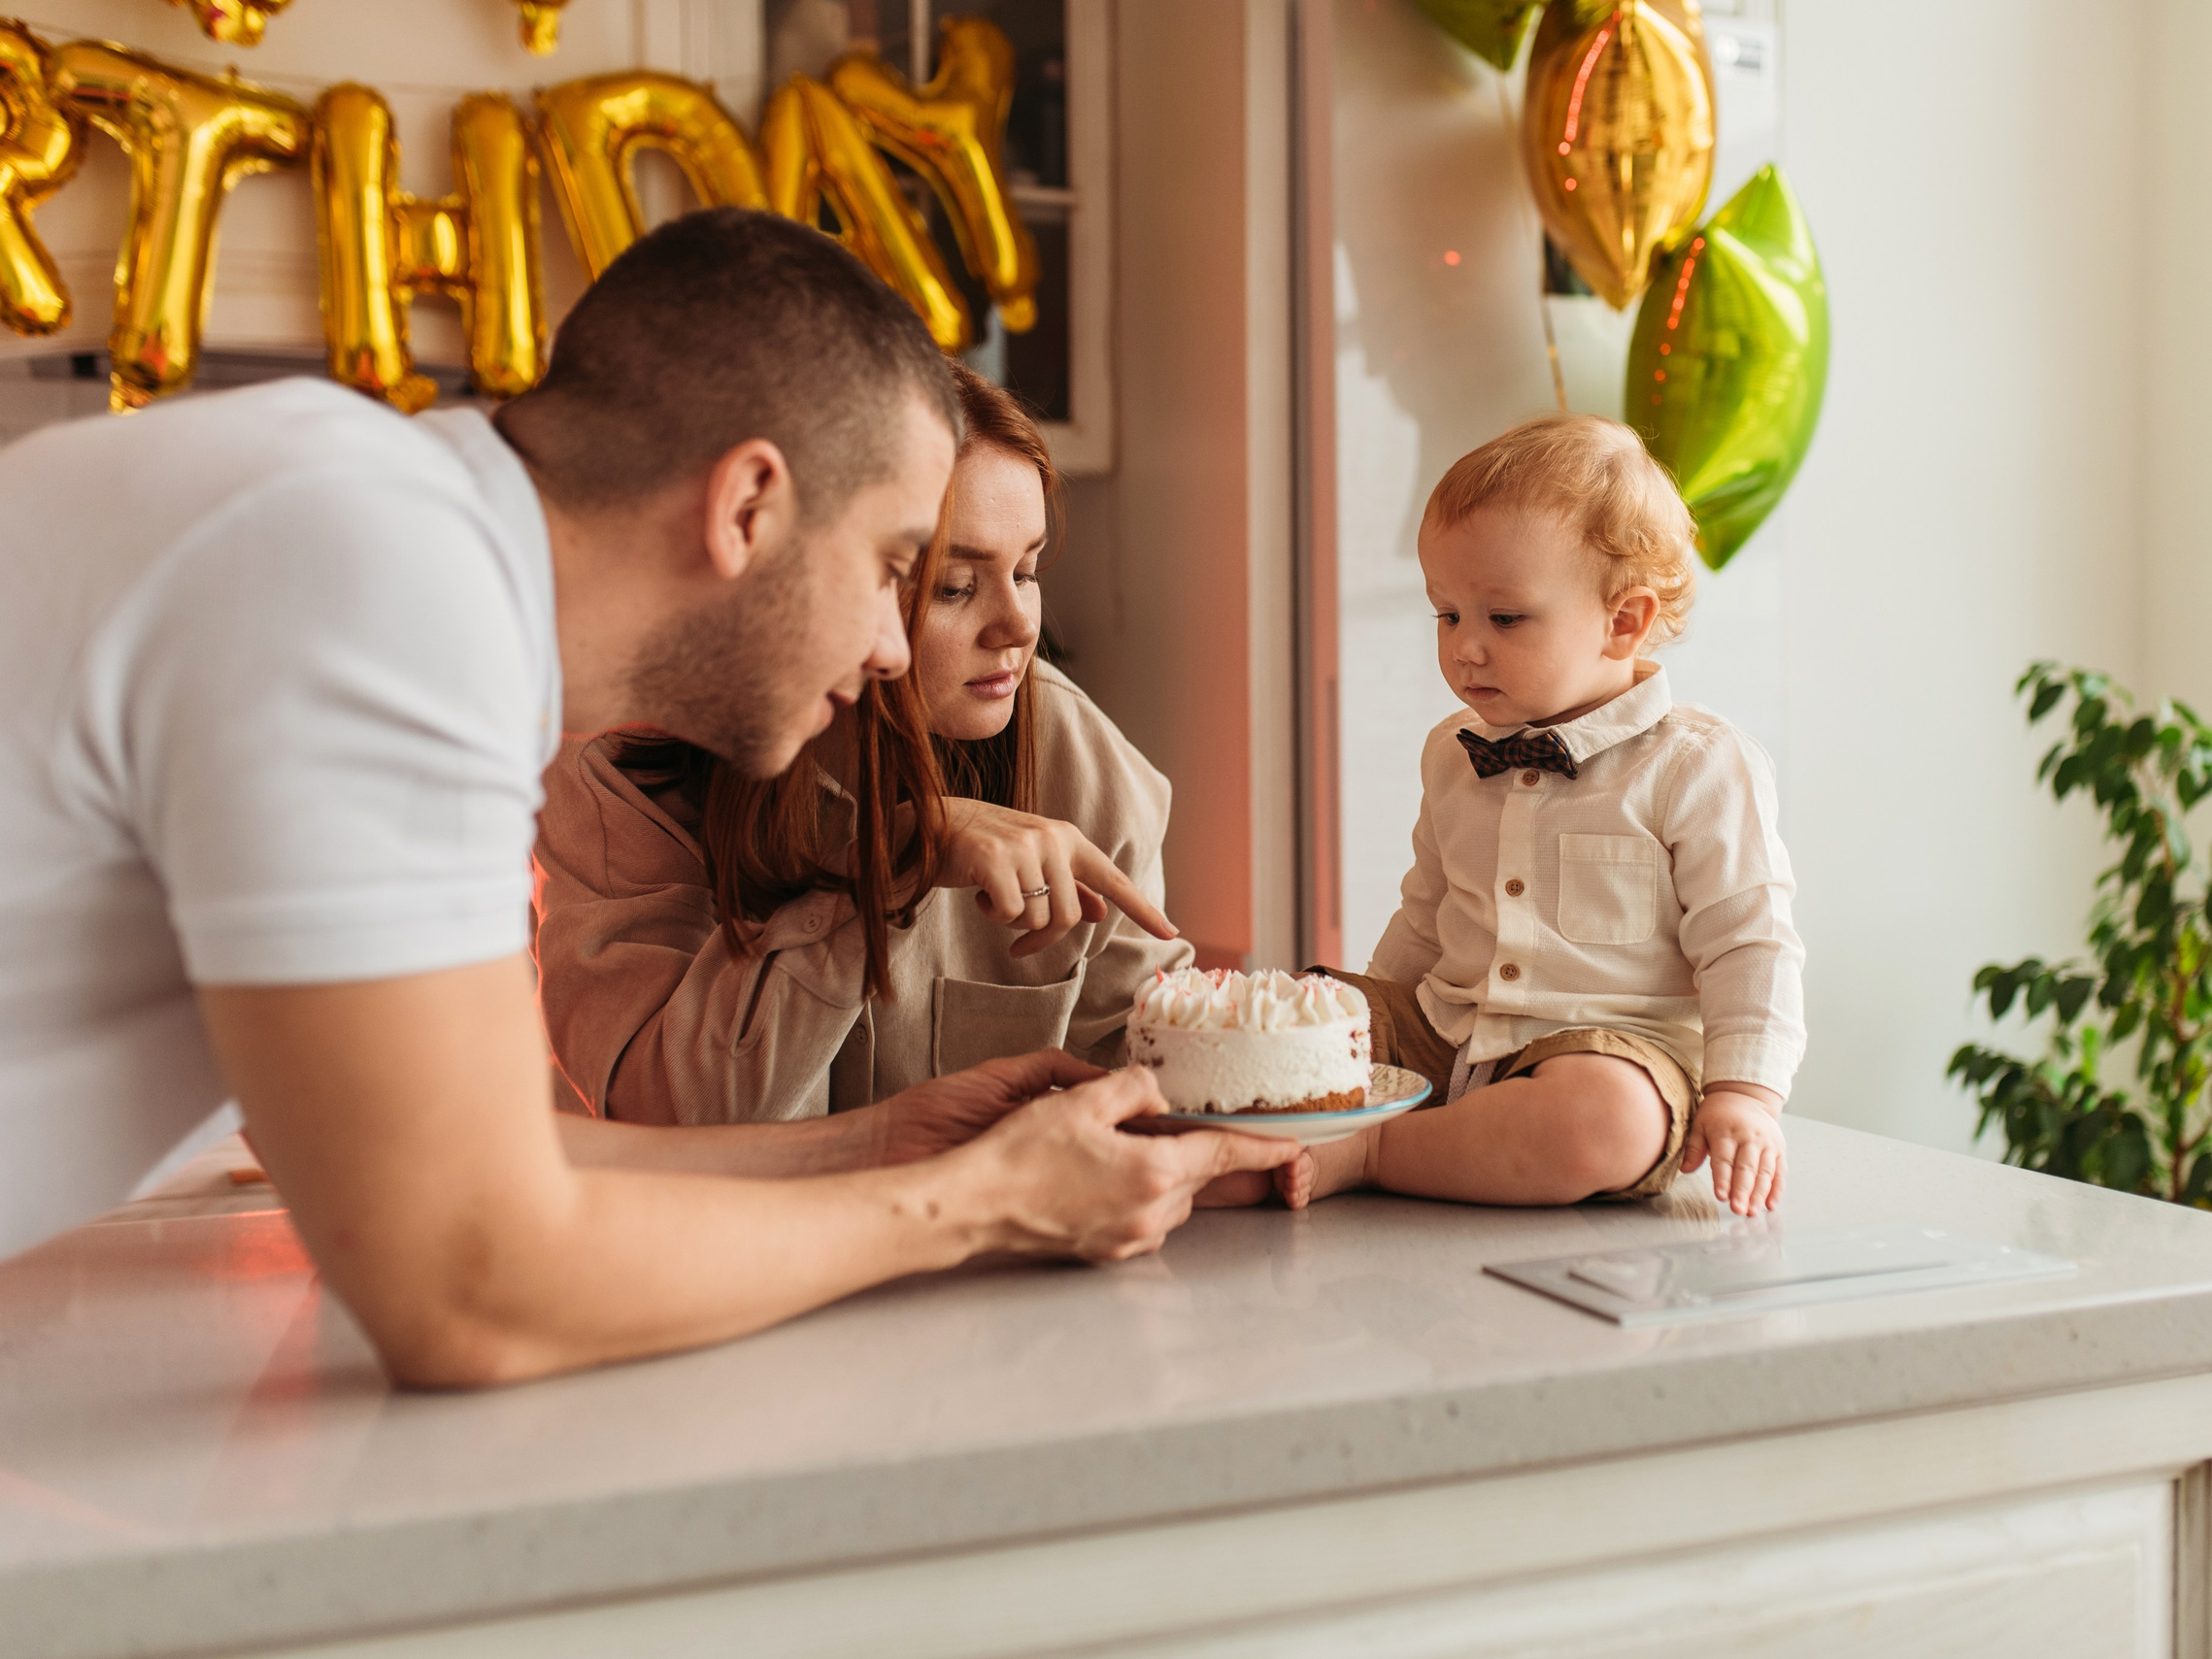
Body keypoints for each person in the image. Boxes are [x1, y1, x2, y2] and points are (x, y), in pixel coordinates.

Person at [0, 208, 1293, 1385]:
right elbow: (472, 1285)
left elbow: (492, 1155)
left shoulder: (388, 536)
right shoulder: (386, 588)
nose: (897, 648)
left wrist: (885, 1144)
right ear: (746, 506)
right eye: (899, 567)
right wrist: (981, 1206)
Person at [534, 363, 1191, 1121]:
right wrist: (887, 869)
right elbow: (665, 1116)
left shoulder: (1079, 763)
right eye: (955, 586)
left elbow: (1155, 1075)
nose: (1018, 627)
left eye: (1028, 570)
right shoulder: (623, 771)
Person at [1283, 415, 1804, 1216]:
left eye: (1505, 618)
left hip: (1603, 1054)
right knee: (1287, 1020)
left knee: (1607, 1120)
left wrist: (1746, 1092)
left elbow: (1749, 941)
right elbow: (1426, 915)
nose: (1466, 647)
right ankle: (1289, 1138)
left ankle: (1374, 1148)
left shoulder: (1697, 765)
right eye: (1447, 614)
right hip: (1446, 1028)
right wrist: (1354, 1031)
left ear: (1623, 621)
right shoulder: (1451, 750)